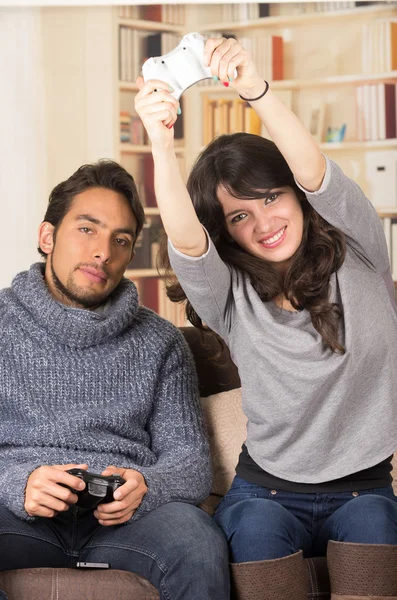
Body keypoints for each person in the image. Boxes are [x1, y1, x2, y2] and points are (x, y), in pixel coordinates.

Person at [135, 36, 397, 599]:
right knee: (257, 547)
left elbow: (316, 173)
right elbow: (186, 242)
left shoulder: (362, 249)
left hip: (367, 491)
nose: (264, 222)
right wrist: (160, 140)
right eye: (238, 216)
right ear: (225, 231)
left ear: (297, 197)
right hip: (265, 495)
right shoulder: (230, 297)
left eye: (271, 196)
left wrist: (255, 89)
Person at [0, 159, 230, 600]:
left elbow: (190, 463)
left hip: (126, 523)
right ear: (47, 237)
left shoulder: (161, 342)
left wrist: (150, 487)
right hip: (17, 513)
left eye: (120, 240)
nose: (103, 251)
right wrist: (18, 482)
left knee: (198, 539)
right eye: (87, 229)